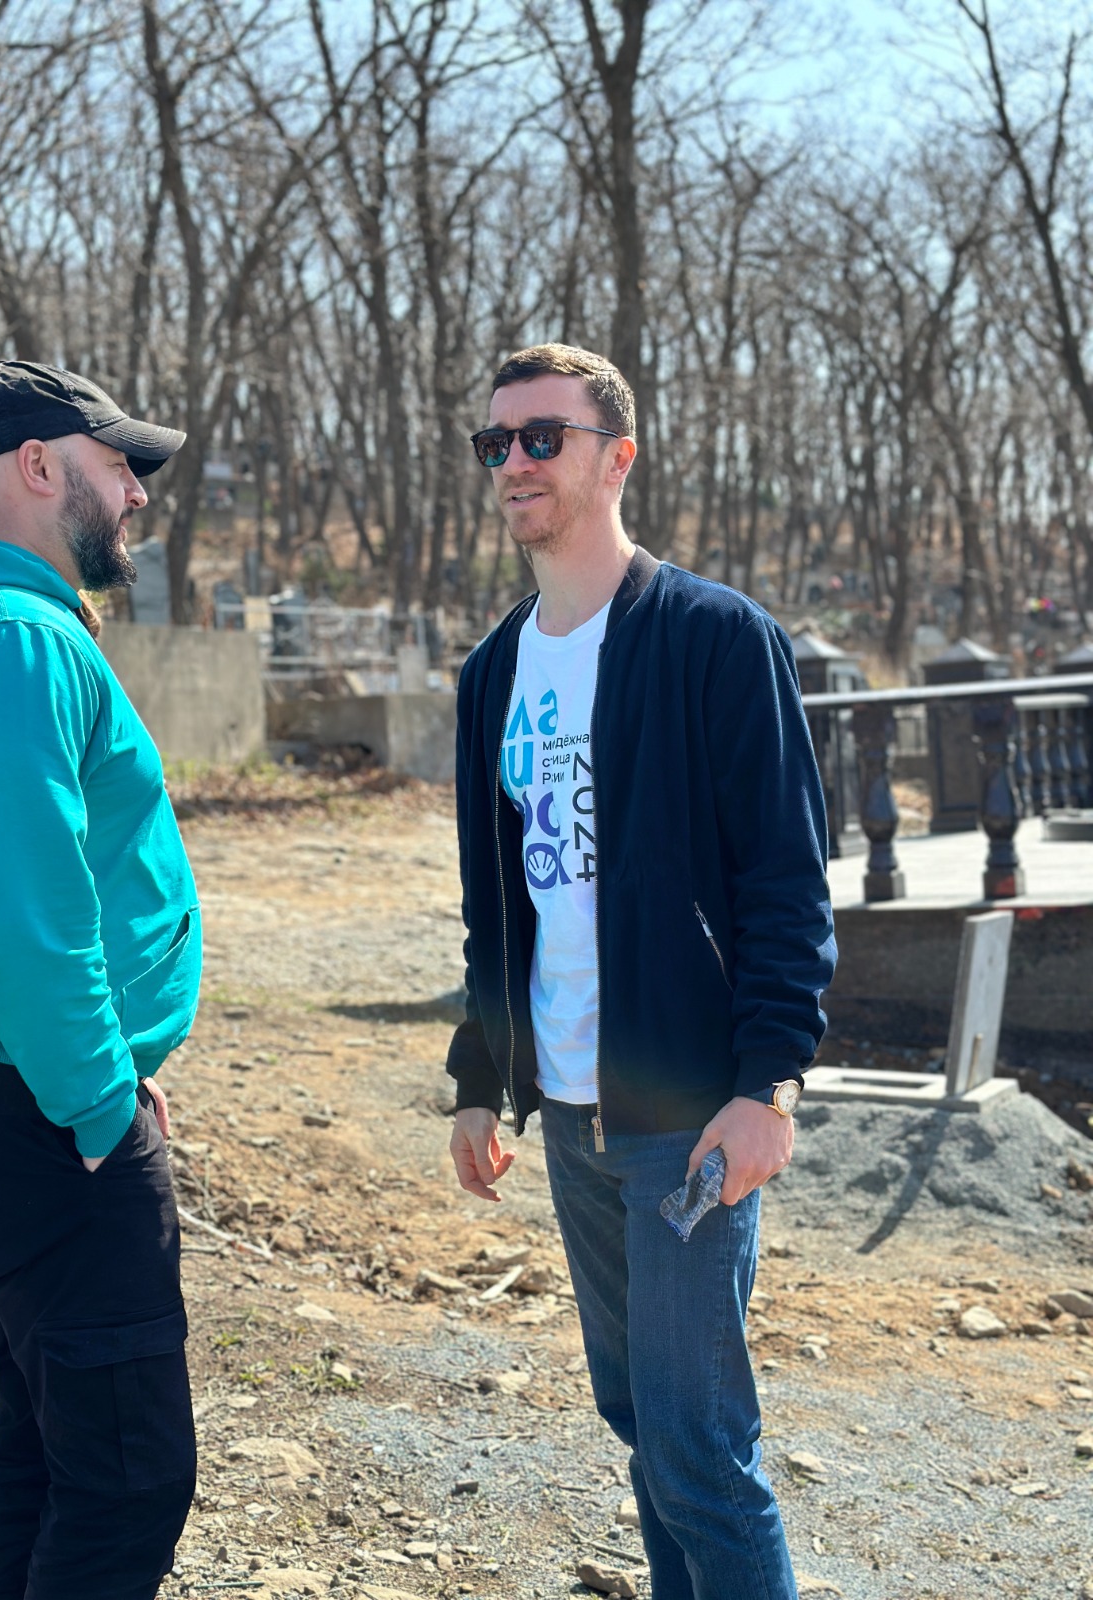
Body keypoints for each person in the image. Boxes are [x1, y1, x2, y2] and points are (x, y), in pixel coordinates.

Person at [446, 344, 836, 1600]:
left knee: (700, 1447)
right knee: (639, 1424)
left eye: (541, 437)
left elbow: (786, 879)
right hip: (569, 1110)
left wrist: (768, 1083)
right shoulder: (492, 673)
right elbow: (496, 904)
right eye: (495, 442)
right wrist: (479, 1079)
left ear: (617, 457)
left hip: (688, 1115)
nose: (514, 462)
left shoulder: (715, 638)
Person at [0, 360, 200, 1600]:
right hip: (33, 1103)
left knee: (46, 1448)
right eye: (117, 464)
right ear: (35, 465)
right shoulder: (9, 638)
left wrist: (112, 1069)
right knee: (128, 1479)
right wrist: (98, 1101)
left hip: (5, 1088)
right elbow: (29, 924)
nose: (135, 493)